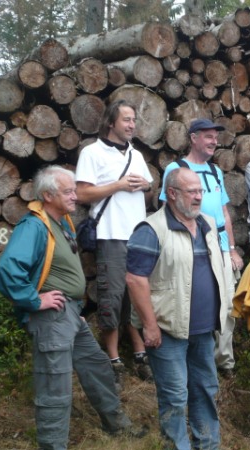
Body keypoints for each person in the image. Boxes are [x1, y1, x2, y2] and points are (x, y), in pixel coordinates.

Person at [0, 166, 145, 450]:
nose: (76, 196)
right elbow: (7, 270)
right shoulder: (34, 226)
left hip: (69, 315)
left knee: (98, 366)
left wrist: (69, 309)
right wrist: (35, 300)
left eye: (74, 190)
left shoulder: (60, 222)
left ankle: (116, 425)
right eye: (68, 191)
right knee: (55, 387)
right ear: (48, 195)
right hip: (51, 318)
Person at [126, 167, 228, 450]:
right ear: (171, 194)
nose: (199, 197)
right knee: (174, 396)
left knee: (205, 389)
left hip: (203, 329)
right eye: (191, 191)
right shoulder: (151, 229)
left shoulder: (207, 224)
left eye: (200, 191)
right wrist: (149, 326)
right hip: (168, 329)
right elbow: (135, 279)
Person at [75, 99, 153, 383]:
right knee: (112, 296)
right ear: (111, 122)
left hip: (138, 235)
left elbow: (148, 191)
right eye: (126, 120)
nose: (132, 125)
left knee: (138, 295)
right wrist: (118, 185)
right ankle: (113, 358)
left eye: (133, 120)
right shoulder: (92, 152)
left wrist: (146, 186)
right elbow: (81, 194)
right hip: (110, 235)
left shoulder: (137, 155)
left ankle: (140, 353)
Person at [159, 118, 244, 377]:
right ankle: (188, 358)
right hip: (191, 244)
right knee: (194, 299)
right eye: (208, 136)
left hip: (219, 245)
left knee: (226, 302)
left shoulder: (215, 171)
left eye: (215, 137)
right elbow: (166, 209)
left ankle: (224, 361)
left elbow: (224, 213)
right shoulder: (176, 169)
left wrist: (231, 248)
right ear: (193, 138)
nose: (214, 141)